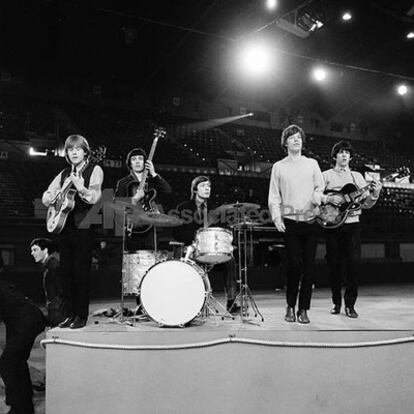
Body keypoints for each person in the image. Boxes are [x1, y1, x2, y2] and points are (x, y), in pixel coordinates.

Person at [42, 134, 103, 329]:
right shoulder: (63, 173)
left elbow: (95, 197)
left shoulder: (95, 169)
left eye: (78, 149)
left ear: (85, 152)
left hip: (84, 226)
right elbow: (46, 195)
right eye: (70, 149)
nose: (74, 152)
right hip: (65, 227)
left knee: (80, 272)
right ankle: (69, 314)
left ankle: (81, 316)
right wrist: (52, 198)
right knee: (65, 273)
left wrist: (81, 188)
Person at [268, 124, 325, 324]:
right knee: (294, 265)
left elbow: (320, 186)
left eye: (298, 137)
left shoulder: (312, 163)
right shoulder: (279, 167)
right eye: (291, 137)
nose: (296, 140)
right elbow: (274, 195)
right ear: (285, 142)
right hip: (291, 222)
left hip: (311, 221)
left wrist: (317, 196)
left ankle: (303, 309)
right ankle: (290, 306)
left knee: (309, 268)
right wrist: (276, 218)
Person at [322, 140, 382, 318]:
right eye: (340, 152)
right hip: (332, 225)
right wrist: (329, 200)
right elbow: (316, 198)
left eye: (347, 152)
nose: (344, 155)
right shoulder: (325, 175)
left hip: (353, 225)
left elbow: (367, 204)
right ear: (335, 156)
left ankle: (350, 304)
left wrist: (375, 194)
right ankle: (336, 302)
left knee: (353, 265)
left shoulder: (358, 177)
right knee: (334, 265)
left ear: (350, 156)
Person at [174, 176, 240, 313]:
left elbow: (223, 229)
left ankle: (232, 302)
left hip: (211, 249)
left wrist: (226, 243)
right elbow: (177, 232)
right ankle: (187, 301)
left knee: (231, 259)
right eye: (203, 185)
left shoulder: (217, 208)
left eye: (209, 186)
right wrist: (193, 240)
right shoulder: (183, 208)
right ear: (194, 189)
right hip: (191, 248)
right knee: (182, 256)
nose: (207, 188)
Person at [0, 279, 47, 414]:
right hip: (25, 321)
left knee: (7, 364)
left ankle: (18, 406)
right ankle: (24, 407)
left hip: (26, 323)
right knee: (17, 362)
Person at [113, 147, 172, 250]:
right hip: (133, 226)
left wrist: (153, 173)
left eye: (140, 158)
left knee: (151, 257)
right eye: (134, 159)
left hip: (151, 226)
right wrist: (135, 199)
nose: (137, 162)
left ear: (145, 162)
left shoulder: (153, 181)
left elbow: (168, 191)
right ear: (130, 163)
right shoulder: (123, 182)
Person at [30, 238, 66, 327]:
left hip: (58, 312)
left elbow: (62, 289)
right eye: (32, 250)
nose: (32, 253)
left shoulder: (53, 264)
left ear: (45, 250)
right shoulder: (50, 263)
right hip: (56, 310)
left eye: (35, 250)